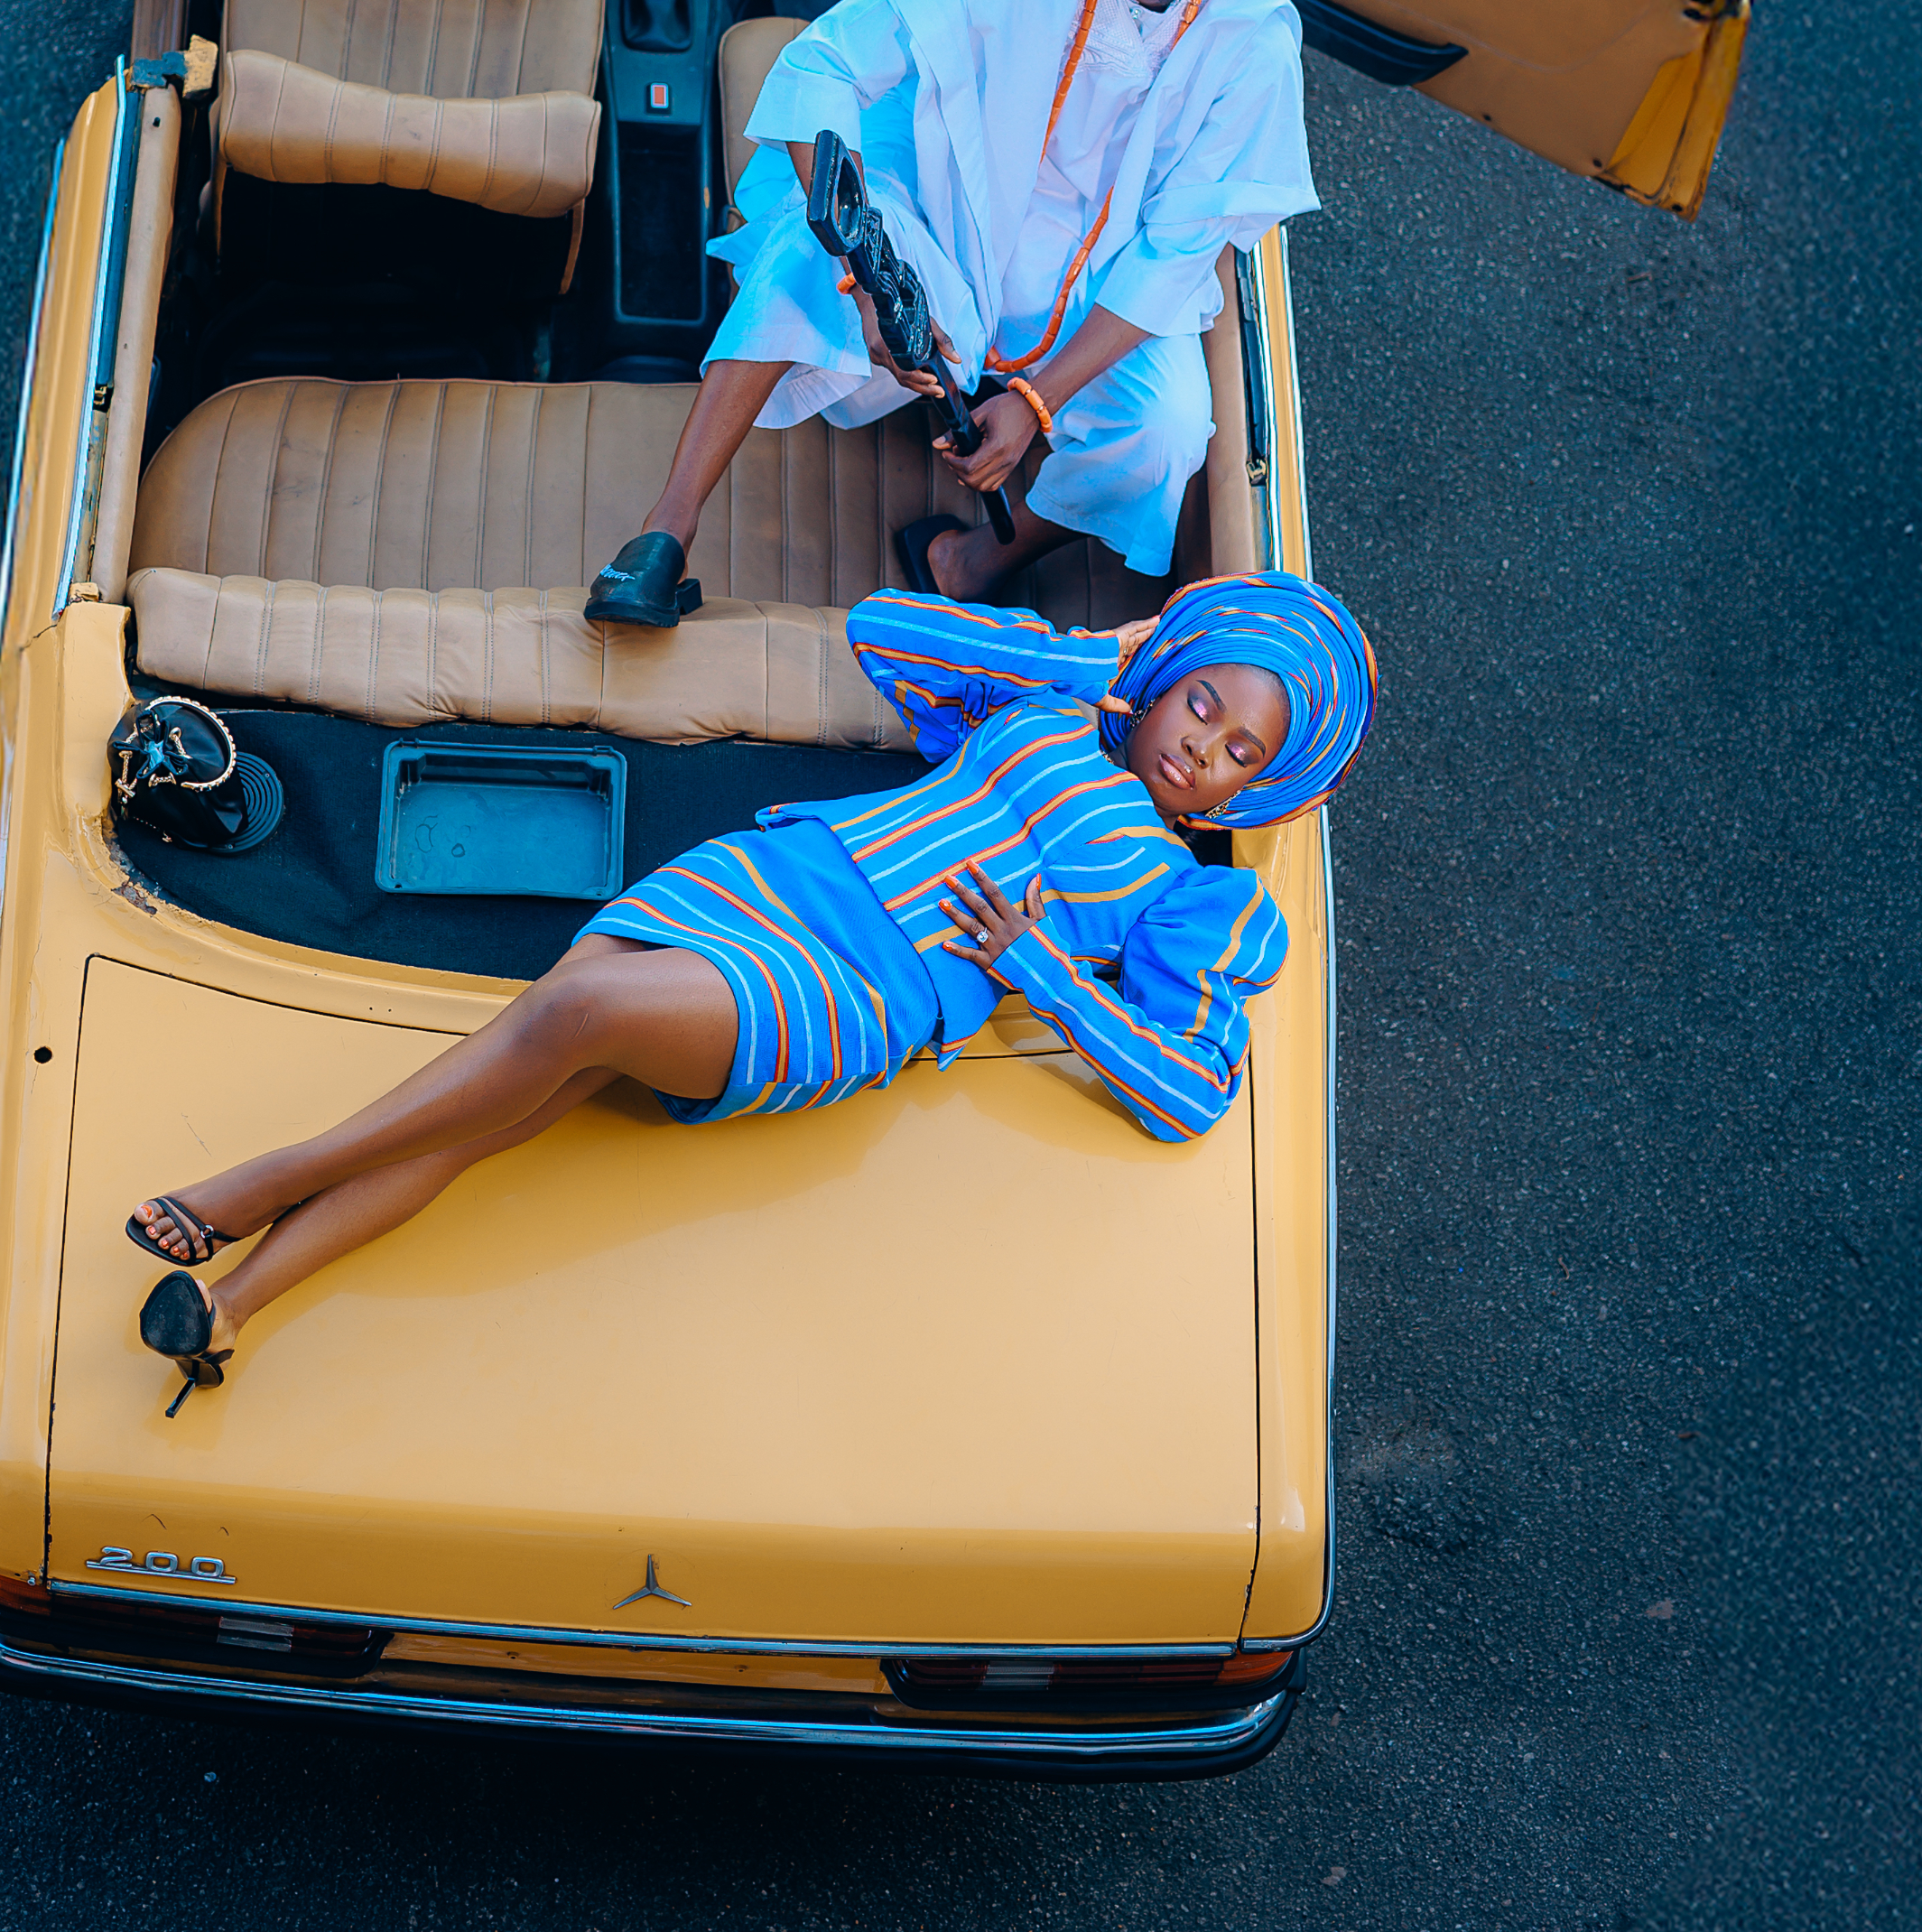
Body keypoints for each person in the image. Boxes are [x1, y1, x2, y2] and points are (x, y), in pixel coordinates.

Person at [124, 571, 1376, 1413]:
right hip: (775, 875)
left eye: (1238, 755)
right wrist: (1099, 654)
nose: (1198, 750)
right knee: (506, 1104)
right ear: (1169, 672)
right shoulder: (1052, 706)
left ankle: (267, 1177)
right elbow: (885, 630)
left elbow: (1192, 1087)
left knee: (565, 1021)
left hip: (858, 987)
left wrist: (1041, 974)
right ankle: (232, 1305)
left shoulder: (1189, 897)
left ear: (1255, 788)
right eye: (1200, 701)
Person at [583, 0, 1312, 627]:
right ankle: (663, 534)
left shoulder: (1258, 37)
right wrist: (864, 282)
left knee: (1168, 432)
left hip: (1101, 275)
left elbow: (1179, 253)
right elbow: (822, 68)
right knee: (799, 261)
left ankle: (971, 560)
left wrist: (1034, 404)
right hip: (946, 207)